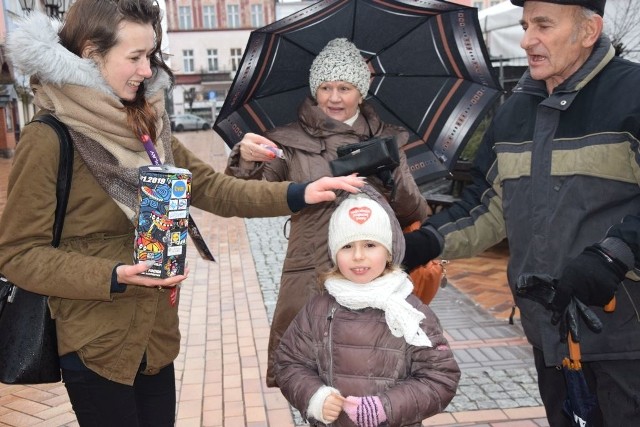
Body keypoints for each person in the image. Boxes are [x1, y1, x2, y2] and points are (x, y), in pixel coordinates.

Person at [0, 2, 364, 426]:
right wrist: (113, 274)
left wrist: (302, 192)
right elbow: (19, 254)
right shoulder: (49, 138)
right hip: (95, 340)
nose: (145, 69)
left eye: (150, 55)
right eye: (133, 57)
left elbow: (211, 187)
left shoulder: (148, 124)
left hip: (155, 336)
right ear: (89, 55)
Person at [403, 0, 640, 425]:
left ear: (589, 31)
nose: (527, 39)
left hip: (625, 333)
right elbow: (486, 205)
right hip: (548, 333)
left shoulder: (633, 94)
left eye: (543, 25)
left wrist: (614, 253)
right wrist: (418, 243)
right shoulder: (515, 111)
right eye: (525, 24)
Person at [225, 37, 430, 387]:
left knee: (382, 374)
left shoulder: (389, 140)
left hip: (375, 276)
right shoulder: (287, 141)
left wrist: (391, 174)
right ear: (314, 89)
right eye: (325, 87)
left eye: (345, 87)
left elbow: (414, 210)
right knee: (318, 380)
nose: (334, 98)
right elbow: (247, 195)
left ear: (361, 92)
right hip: (313, 274)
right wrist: (244, 159)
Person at [274, 191, 460, 427]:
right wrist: (315, 396)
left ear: (388, 252)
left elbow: (441, 378)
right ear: (334, 254)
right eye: (348, 246)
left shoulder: (410, 311)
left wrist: (386, 407)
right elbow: (288, 363)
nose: (358, 256)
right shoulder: (317, 309)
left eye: (370, 245)